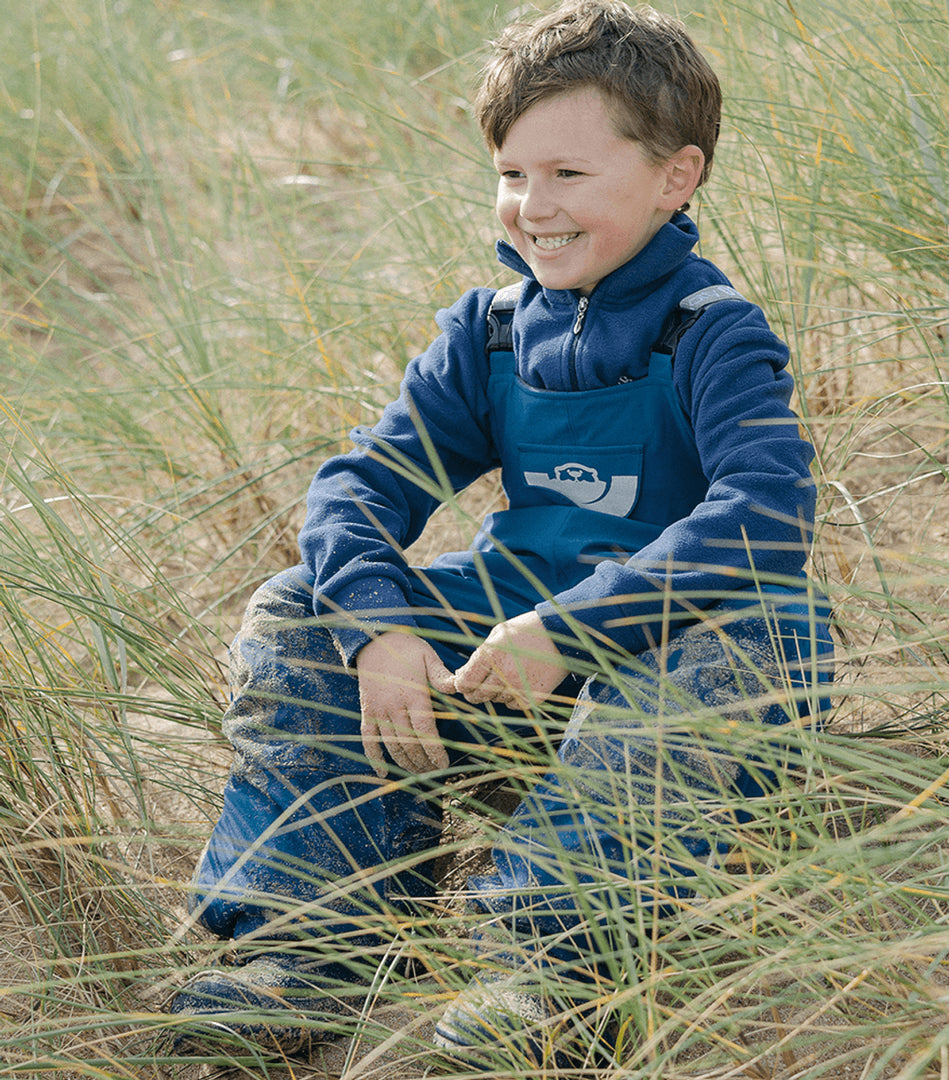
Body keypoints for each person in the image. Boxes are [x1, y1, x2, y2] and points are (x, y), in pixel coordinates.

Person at [167, 0, 833, 1066]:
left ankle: (552, 982)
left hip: (676, 675)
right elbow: (356, 491)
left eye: (570, 174)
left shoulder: (711, 336)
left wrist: (570, 630)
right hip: (504, 677)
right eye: (514, 173)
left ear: (676, 176)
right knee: (301, 610)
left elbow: (764, 516)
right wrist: (380, 631)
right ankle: (309, 949)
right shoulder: (486, 337)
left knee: (744, 632)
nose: (534, 205)